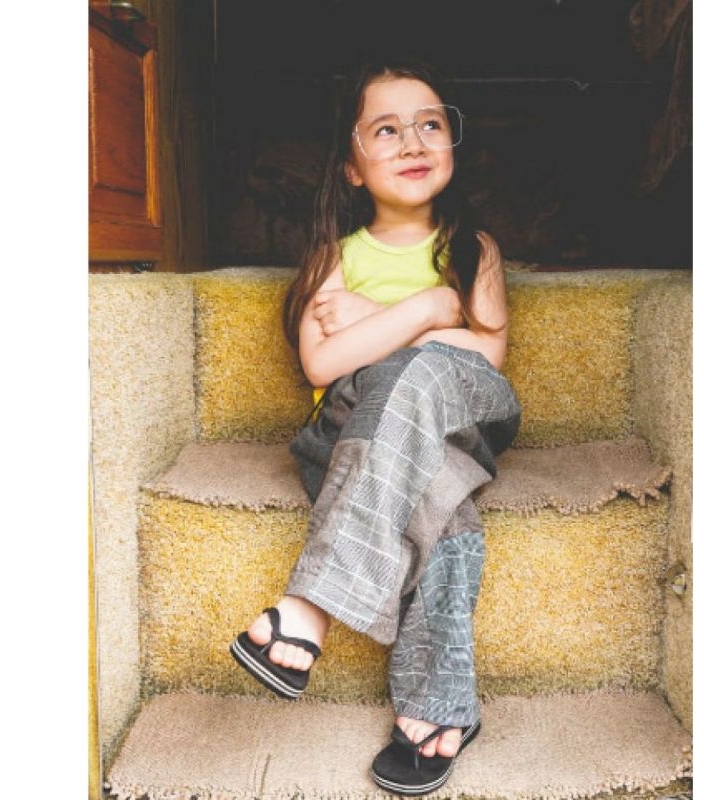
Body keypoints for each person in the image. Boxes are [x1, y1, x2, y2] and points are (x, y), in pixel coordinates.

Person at [230, 55, 521, 796]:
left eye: (430, 125)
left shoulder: (473, 250)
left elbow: (484, 355)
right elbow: (324, 363)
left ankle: (310, 606)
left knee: (417, 373)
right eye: (386, 130)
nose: (413, 141)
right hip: (354, 437)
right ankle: (439, 706)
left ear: (452, 141)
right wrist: (429, 309)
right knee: (443, 509)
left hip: (464, 415)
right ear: (352, 168)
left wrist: (381, 323)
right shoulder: (336, 256)